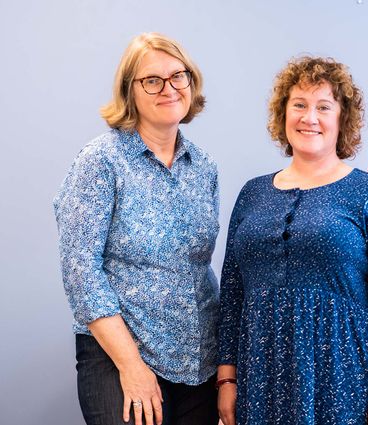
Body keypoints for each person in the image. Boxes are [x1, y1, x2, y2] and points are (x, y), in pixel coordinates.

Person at [216, 56, 368, 425]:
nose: (310, 118)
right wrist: (226, 377)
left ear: (342, 118)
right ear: (283, 114)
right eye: (299, 105)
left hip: (341, 375)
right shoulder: (252, 194)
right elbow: (231, 292)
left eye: (324, 107)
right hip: (259, 375)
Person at [54, 33, 220, 425]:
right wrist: (132, 367)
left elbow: (201, 267)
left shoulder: (204, 167)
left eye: (178, 76)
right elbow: (81, 274)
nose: (169, 88)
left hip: (197, 359)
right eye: (152, 80)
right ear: (130, 91)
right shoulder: (101, 162)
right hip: (119, 356)